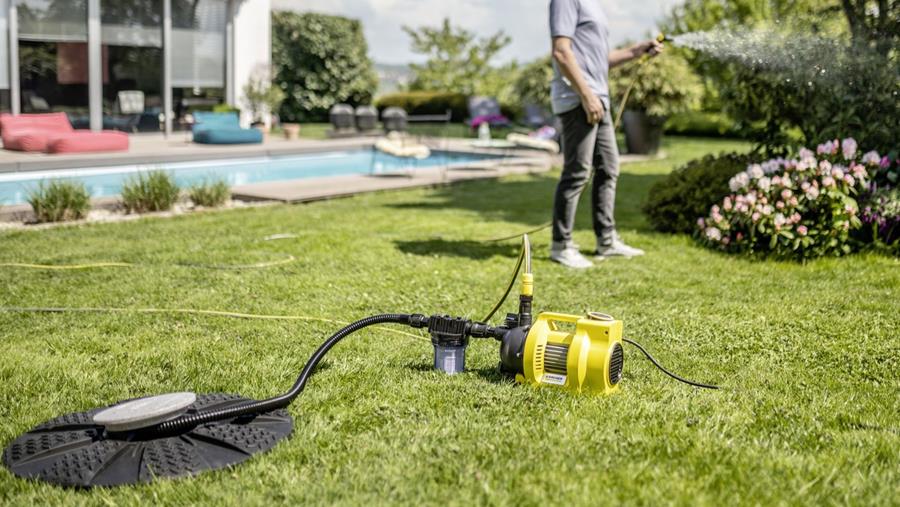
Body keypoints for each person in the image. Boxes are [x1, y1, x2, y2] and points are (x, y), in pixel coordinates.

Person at [548, 0, 663, 269]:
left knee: (609, 168)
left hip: (597, 99)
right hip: (578, 100)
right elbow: (561, 52)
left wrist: (635, 51)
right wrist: (586, 95)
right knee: (577, 172)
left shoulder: (593, 5)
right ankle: (561, 245)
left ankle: (607, 241)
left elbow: (598, 60)